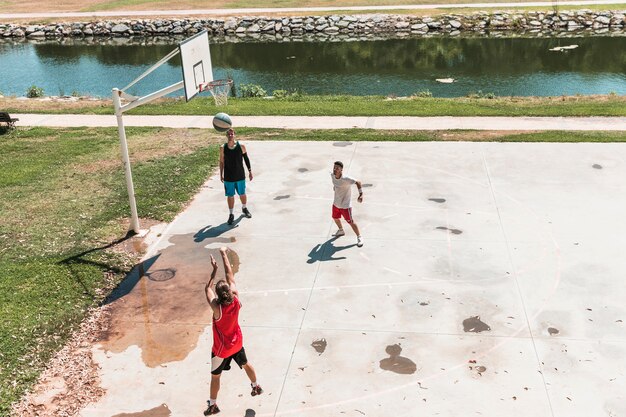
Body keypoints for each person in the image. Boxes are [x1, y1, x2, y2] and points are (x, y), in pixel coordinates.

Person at [204, 247, 263, 415]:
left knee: (216, 376)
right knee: (245, 364)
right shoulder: (236, 298)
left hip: (222, 349)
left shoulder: (217, 308)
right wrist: (223, 253)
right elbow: (230, 274)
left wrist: (213, 272)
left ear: (218, 296)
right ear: (229, 292)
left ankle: (213, 405)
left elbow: (206, 289)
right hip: (237, 343)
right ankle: (256, 386)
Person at [220, 128, 253, 226]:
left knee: (242, 194)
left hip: (240, 175)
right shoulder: (223, 147)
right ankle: (231, 214)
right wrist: (221, 173)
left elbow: (246, 159)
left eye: (232, 134)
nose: (230, 135)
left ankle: (244, 208)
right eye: (229, 134)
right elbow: (221, 161)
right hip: (228, 176)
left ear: (235, 135)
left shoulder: (241, 146)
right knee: (230, 196)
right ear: (226, 136)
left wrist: (250, 171)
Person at [331, 161, 364, 247]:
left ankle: (359, 236)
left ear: (341, 170)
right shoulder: (332, 176)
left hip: (345, 206)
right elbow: (335, 184)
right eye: (334, 167)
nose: (335, 169)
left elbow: (358, 182)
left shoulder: (346, 178)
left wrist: (361, 194)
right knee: (335, 218)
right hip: (336, 203)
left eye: (337, 168)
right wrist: (335, 187)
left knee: (350, 221)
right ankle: (341, 230)